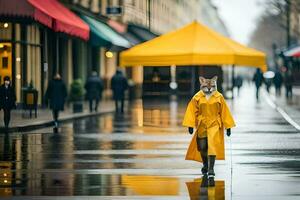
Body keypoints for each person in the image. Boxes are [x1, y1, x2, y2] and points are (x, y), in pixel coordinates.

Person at [182, 76, 235, 184]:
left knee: (212, 146)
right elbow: (191, 110)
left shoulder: (219, 97)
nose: (210, 89)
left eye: (212, 86)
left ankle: (211, 169)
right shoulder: (197, 97)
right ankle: (205, 164)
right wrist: (190, 125)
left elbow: (224, 111)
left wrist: (228, 126)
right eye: (207, 86)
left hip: (215, 124)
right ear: (202, 85)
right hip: (202, 124)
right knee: (202, 147)